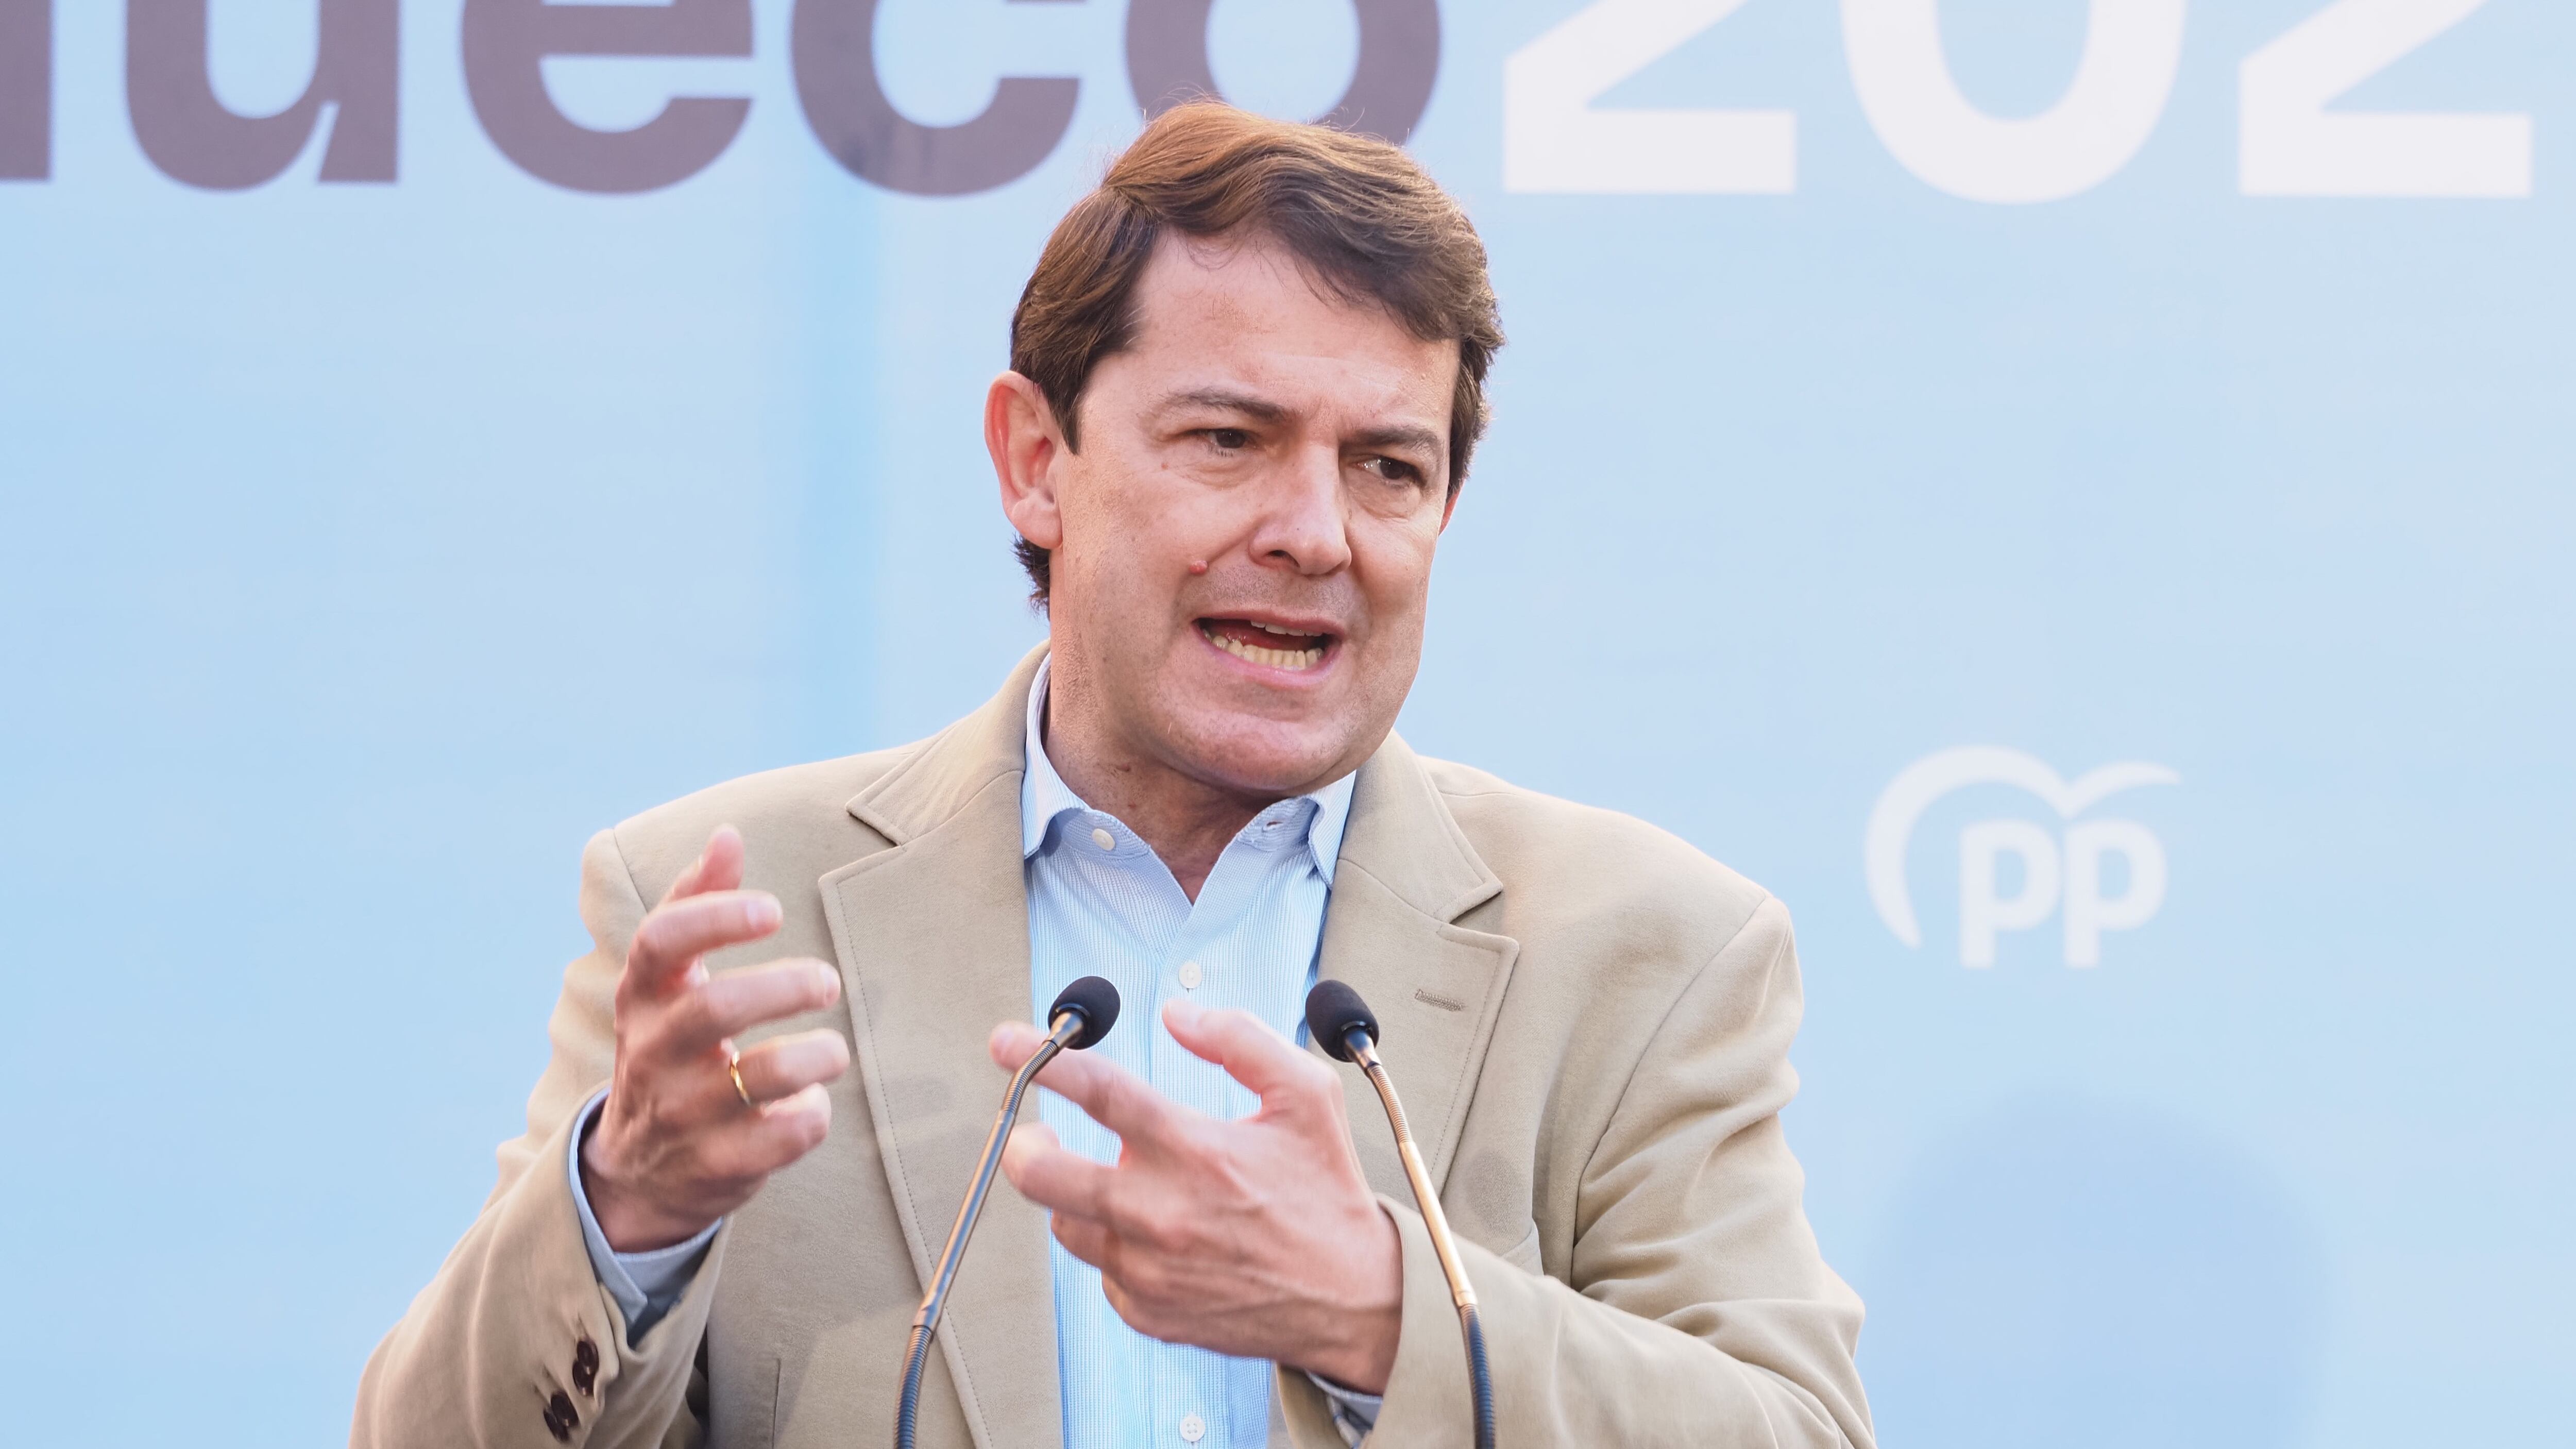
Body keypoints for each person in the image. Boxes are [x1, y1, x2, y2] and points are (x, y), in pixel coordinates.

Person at [352, 102, 1873, 1449]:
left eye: (1388, 467)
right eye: (1229, 439)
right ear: (1036, 461)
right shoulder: (739, 920)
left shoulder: (1644, 948)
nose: (1316, 533)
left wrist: (1379, 1309)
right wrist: (627, 1208)